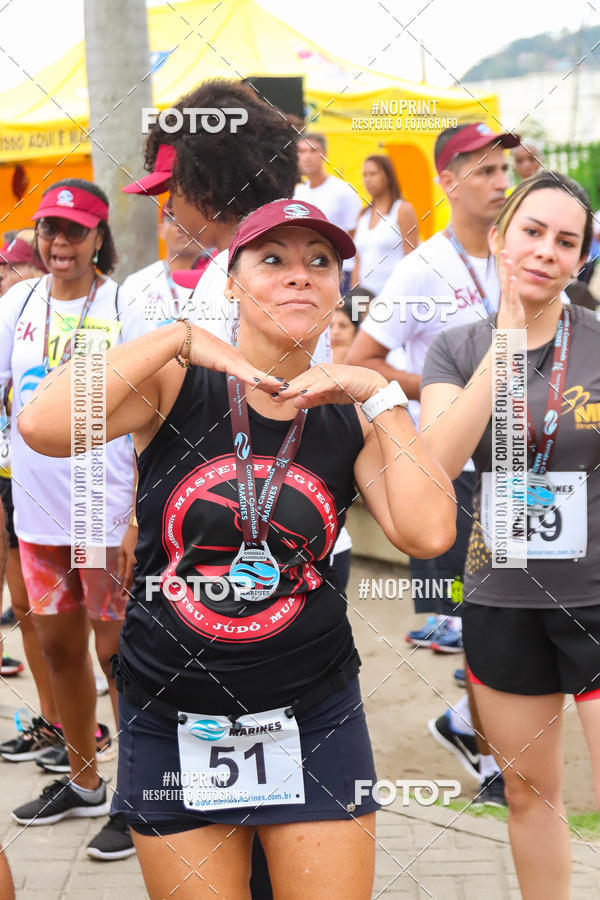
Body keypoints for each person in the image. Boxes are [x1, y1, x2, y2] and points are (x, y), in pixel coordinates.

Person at [19, 199, 457, 899]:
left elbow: (430, 532)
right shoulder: (175, 383)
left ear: (340, 289)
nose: (299, 277)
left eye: (320, 263)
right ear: (231, 280)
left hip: (311, 709)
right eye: (273, 260)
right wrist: (178, 338)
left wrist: (377, 391)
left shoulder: (348, 409)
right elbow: (43, 425)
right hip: (169, 712)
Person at [420, 170, 598, 900]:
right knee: (528, 795)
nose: (546, 252)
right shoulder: (455, 350)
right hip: (502, 600)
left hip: (595, 597)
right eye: (532, 232)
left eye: (567, 241)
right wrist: (506, 341)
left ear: (581, 260)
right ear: (499, 237)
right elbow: (435, 461)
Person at [346, 122, 519, 806]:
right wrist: (450, 383)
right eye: (481, 170)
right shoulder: (420, 269)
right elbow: (363, 361)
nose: (499, 182)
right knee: (488, 617)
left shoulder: (517, 255)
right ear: (447, 182)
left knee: (520, 617)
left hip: (523, 467)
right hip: (456, 470)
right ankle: (492, 760)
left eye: (503, 169)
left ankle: (465, 724)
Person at [3, 179, 144, 860]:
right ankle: (84, 779)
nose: (59, 244)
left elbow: (151, 415)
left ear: (98, 238)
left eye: (74, 231)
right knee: (57, 649)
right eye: (49, 230)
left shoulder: (125, 305)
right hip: (36, 513)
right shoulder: (18, 304)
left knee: (119, 658)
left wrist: (136, 516)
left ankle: (138, 798)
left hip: (103, 512)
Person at [120, 199, 210, 327]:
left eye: (190, 218)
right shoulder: (136, 285)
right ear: (160, 230)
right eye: (172, 218)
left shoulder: (223, 281)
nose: (182, 226)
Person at [294, 133, 362, 293]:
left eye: (313, 151)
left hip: (341, 273)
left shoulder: (343, 192)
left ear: (324, 154)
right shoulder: (298, 193)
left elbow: (356, 238)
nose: (307, 157)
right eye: (301, 151)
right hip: (306, 274)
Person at [352, 155, 419, 295]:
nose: (368, 179)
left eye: (373, 173)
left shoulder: (402, 210)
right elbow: (358, 261)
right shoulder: (362, 215)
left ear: (388, 176)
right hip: (364, 298)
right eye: (365, 175)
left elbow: (412, 258)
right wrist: (354, 297)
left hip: (394, 295)